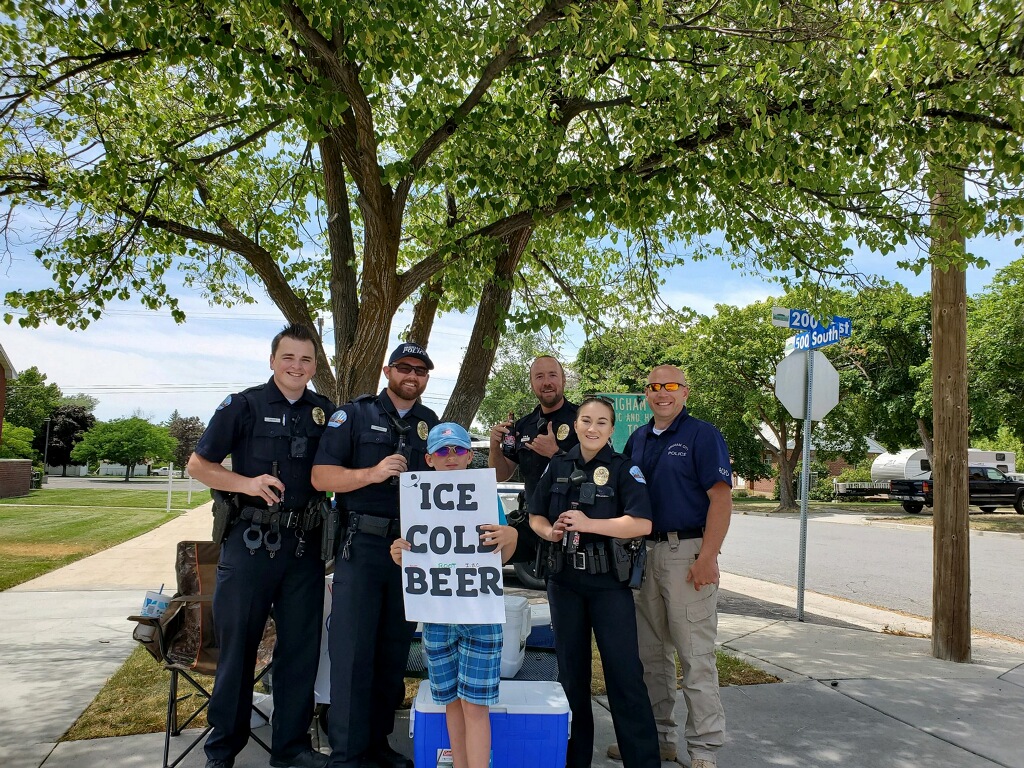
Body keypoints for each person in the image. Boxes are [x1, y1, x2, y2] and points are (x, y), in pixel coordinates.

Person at [187, 323, 334, 768]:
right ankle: (222, 752)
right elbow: (198, 464)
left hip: (304, 551)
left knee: (300, 654)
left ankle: (290, 750)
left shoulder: (326, 412)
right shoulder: (243, 405)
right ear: (272, 361)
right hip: (249, 546)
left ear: (314, 366)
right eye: (288, 357)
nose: (296, 366)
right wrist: (246, 483)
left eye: (306, 359)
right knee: (238, 654)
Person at [311, 342, 440, 768]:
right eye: (405, 367)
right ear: (388, 371)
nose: (412, 376)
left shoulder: (429, 422)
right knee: (353, 652)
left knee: (392, 651)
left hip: (410, 551)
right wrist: (372, 472)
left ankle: (378, 744)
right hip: (361, 546)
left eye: (420, 370)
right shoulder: (354, 414)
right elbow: (320, 475)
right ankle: (347, 753)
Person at [607, 365, 732, 768]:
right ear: (646, 393)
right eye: (655, 387)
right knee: (651, 656)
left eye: (671, 386)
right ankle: (659, 738)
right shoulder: (639, 438)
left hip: (687, 554)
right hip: (644, 554)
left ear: (685, 393)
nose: (662, 393)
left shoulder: (702, 435)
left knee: (695, 655)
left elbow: (720, 498)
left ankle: (703, 748)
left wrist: (708, 557)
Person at [529, 396, 661, 768]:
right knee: (572, 677)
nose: (592, 427)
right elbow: (536, 514)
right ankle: (574, 761)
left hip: (608, 586)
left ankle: (643, 761)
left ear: (611, 429)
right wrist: (549, 532)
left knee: (624, 676)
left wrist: (589, 524)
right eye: (586, 419)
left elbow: (641, 523)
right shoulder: (557, 465)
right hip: (564, 584)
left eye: (601, 422)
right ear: (578, 422)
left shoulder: (623, 469)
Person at [389, 422, 519, 768]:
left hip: (480, 615)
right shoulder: (416, 497)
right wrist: (400, 553)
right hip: (437, 615)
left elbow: (502, 556)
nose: (451, 457)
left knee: (475, 706)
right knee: (451, 703)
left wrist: (511, 538)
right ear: (429, 459)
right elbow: (417, 556)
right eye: (443, 451)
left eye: (459, 450)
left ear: (470, 456)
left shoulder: (486, 495)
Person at [489, 355, 579, 563]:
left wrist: (556, 454)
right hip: (536, 524)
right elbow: (500, 475)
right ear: (532, 383)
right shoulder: (523, 426)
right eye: (539, 376)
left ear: (563, 379)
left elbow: (598, 472)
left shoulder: (582, 419)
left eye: (552, 375)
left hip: (574, 524)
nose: (546, 382)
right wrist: (495, 447)